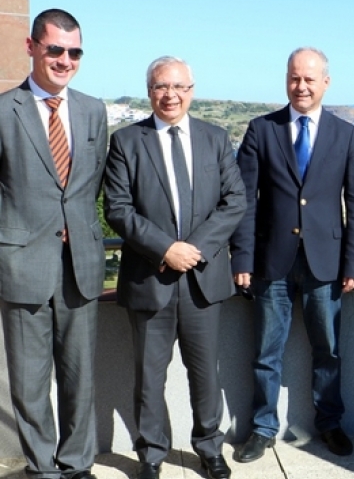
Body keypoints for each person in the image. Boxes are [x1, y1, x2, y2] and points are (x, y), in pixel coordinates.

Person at [103, 56, 246, 479]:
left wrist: (194, 249)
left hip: (203, 280)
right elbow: (118, 208)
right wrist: (166, 249)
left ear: (192, 90)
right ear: (150, 91)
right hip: (151, 279)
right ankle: (150, 454)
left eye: (179, 87)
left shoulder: (215, 138)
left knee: (205, 373)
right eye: (162, 87)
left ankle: (209, 447)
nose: (171, 94)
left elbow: (234, 201)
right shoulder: (127, 141)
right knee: (149, 378)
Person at [230, 47, 354, 462]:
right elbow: (244, 202)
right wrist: (242, 260)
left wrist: (353, 263)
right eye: (294, 78)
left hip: (326, 264)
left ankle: (329, 423)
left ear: (326, 82)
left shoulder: (346, 135)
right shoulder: (261, 129)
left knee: (327, 350)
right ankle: (262, 428)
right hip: (272, 262)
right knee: (265, 352)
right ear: (286, 80)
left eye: (310, 79)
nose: (301, 86)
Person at [0, 9, 107, 479]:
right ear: (31, 47)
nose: (65, 60)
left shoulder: (93, 110)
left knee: (80, 378)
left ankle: (77, 464)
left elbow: (93, 185)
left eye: (75, 51)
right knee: (28, 383)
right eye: (55, 49)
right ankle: (43, 469)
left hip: (80, 264)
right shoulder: (4, 111)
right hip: (22, 267)